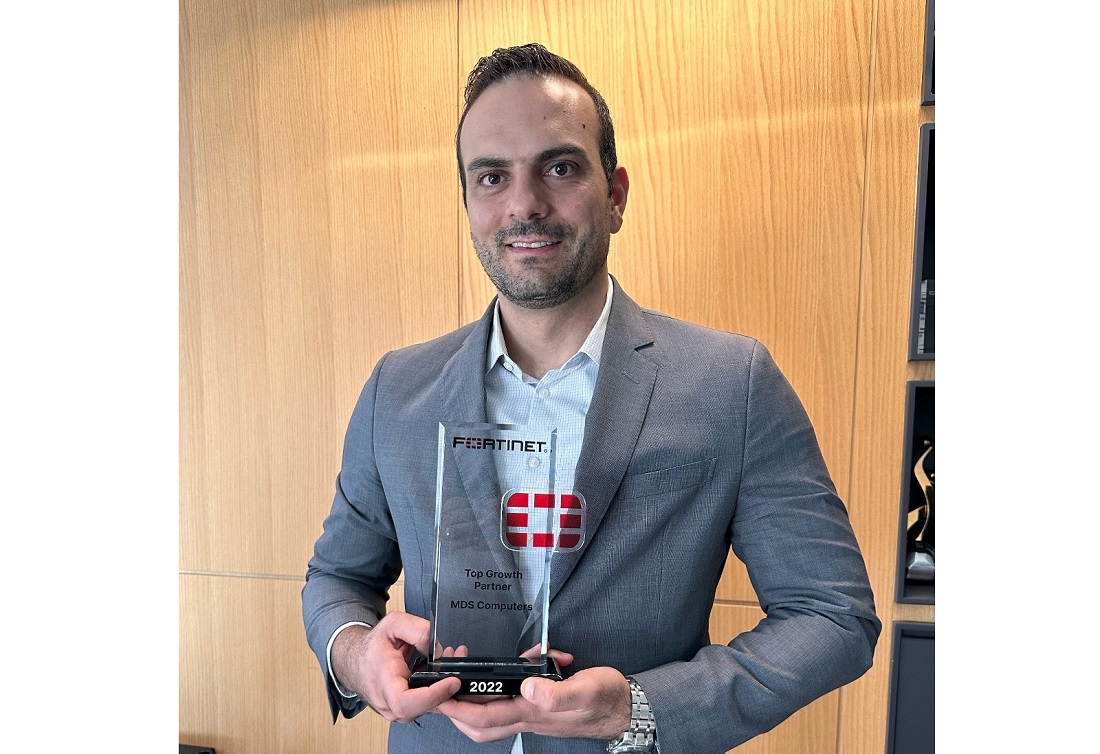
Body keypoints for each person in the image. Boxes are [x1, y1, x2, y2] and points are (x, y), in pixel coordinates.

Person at [302, 43, 880, 754]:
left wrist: (636, 708)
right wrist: (356, 656)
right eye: (492, 177)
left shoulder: (733, 383)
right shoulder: (398, 390)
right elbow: (337, 579)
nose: (524, 204)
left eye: (560, 166)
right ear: (468, 203)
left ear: (615, 193)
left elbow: (832, 616)